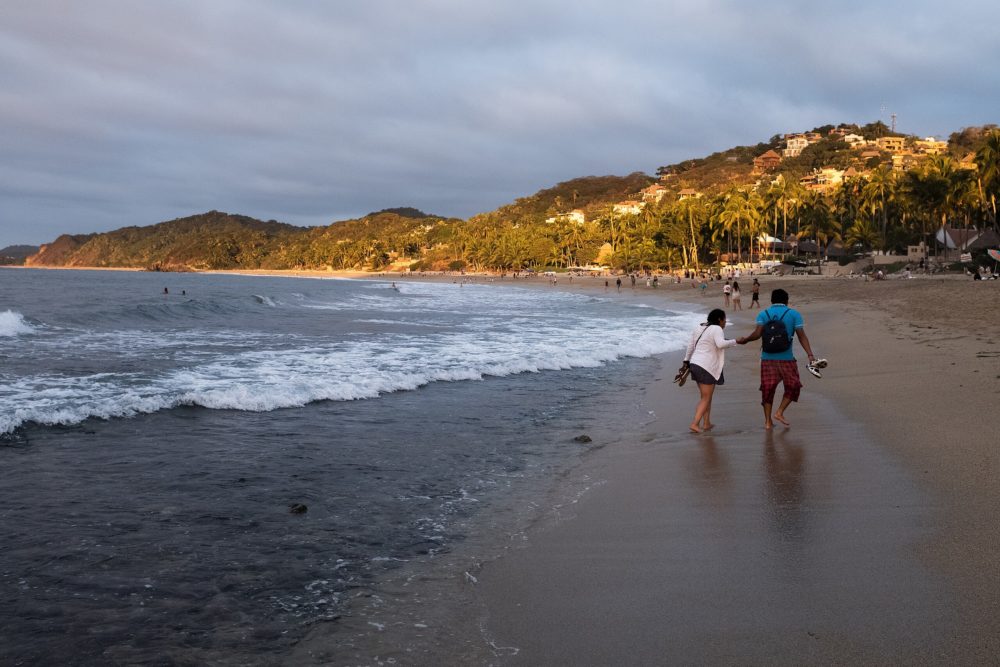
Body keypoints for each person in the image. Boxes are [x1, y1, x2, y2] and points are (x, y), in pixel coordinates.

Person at [737, 288, 818, 430]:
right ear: (786, 301)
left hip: (767, 359)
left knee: (767, 389)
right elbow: (801, 336)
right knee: (794, 385)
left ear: (771, 301)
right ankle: (780, 411)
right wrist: (810, 355)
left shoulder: (764, 314)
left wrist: (746, 340)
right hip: (787, 358)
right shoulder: (794, 314)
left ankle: (768, 422)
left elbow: (757, 334)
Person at [683, 308, 739, 433]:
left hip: (695, 364)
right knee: (706, 397)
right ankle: (695, 423)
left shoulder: (700, 327)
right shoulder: (717, 328)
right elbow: (720, 344)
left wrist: (686, 360)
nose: (725, 323)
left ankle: (706, 423)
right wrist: (736, 341)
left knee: (705, 396)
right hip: (706, 366)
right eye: (724, 320)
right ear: (720, 319)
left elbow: (691, 345)